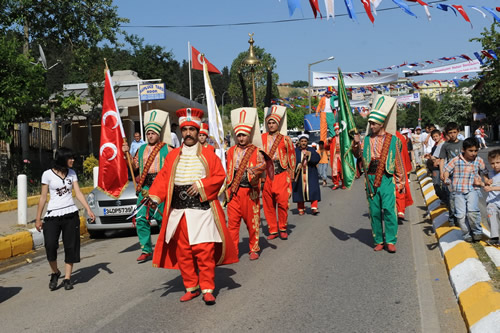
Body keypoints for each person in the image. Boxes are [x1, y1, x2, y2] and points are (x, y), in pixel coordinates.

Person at [147, 107, 238, 305]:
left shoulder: (209, 154)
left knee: (204, 251)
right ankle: (191, 287)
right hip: (178, 212)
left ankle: (207, 288)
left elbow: (220, 176)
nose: (188, 133)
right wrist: (154, 197)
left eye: (192, 129)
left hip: (201, 211)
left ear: (198, 132)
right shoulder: (172, 155)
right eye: (185, 129)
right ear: (181, 131)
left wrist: (201, 185)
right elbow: (163, 178)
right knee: (183, 253)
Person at [35, 148, 96, 291]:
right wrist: (38, 218)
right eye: (70, 158)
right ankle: (55, 272)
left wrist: (88, 209)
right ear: (63, 159)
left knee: (71, 246)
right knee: (50, 245)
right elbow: (43, 197)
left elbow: (78, 193)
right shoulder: (47, 174)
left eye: (73, 158)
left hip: (70, 214)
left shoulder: (72, 173)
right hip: (52, 216)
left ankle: (68, 278)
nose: (73, 160)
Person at [352, 95, 404, 253]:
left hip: (387, 178)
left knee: (389, 210)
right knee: (374, 211)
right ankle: (378, 240)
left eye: (373, 123)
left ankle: (390, 240)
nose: (371, 126)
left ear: (381, 123)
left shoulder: (393, 140)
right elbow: (357, 155)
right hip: (371, 178)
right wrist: (355, 143)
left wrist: (400, 181)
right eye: (370, 123)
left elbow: (398, 162)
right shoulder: (365, 140)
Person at [122, 109, 171, 262]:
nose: (150, 135)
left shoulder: (167, 149)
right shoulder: (141, 149)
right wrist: (127, 154)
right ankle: (146, 249)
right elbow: (134, 166)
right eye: (148, 133)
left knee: (163, 219)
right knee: (141, 218)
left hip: (161, 188)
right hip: (145, 189)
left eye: (153, 133)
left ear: (158, 134)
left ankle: (168, 246)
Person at [226, 107, 267, 260]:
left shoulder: (256, 151)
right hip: (234, 192)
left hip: (250, 191)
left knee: (252, 222)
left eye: (244, 135)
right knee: (232, 224)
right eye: (239, 136)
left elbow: (264, 165)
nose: (241, 138)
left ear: (249, 136)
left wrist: (253, 169)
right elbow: (228, 170)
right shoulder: (230, 151)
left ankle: (254, 248)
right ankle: (232, 251)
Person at [261, 105, 296, 240]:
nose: (271, 125)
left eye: (273, 122)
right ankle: (273, 229)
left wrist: (291, 174)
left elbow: (292, 156)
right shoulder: (261, 138)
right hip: (267, 175)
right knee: (268, 204)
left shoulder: (285, 139)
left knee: (282, 202)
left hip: (281, 174)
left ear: (278, 124)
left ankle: (282, 227)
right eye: (269, 123)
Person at [443, 137, 486, 243]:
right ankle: (466, 233)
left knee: (472, 212)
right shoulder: (456, 160)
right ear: (463, 150)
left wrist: (485, 180)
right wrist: (446, 178)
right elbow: (447, 170)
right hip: (458, 192)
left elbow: (485, 172)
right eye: (470, 151)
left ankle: (476, 232)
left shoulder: (479, 161)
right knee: (461, 215)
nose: (473, 153)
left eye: (475, 151)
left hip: (473, 190)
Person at [439, 122, 463, 226]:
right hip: (450, 174)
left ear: (458, 132)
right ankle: (452, 218)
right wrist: (441, 173)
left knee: (462, 197)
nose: (453, 134)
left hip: (463, 174)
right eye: (450, 133)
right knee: (451, 197)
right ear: (447, 134)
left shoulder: (463, 143)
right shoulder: (446, 145)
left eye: (454, 132)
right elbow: (442, 160)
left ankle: (461, 217)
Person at [293, 133, 321, 215]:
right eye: (302, 141)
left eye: (305, 141)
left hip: (311, 173)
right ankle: (301, 208)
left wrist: (310, 155)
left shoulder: (311, 150)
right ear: (299, 142)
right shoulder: (296, 151)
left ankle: (314, 208)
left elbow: (317, 158)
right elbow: (292, 162)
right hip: (300, 174)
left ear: (307, 142)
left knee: (313, 189)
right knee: (299, 191)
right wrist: (297, 166)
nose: (303, 143)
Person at [396, 129, 413, 221]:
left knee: (400, 186)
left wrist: (405, 167)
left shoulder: (399, 137)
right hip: (385, 168)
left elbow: (405, 153)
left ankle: (400, 209)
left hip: (398, 166)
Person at [483, 149, 500, 246]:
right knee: (491, 214)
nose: (495, 165)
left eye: (498, 162)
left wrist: (492, 188)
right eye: (492, 163)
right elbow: (483, 172)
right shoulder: (491, 173)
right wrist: (484, 181)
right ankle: (494, 237)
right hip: (493, 202)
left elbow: (491, 188)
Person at [329, 123, 345, 190]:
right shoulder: (332, 139)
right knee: (335, 171)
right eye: (336, 130)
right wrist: (327, 141)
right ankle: (336, 183)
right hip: (335, 157)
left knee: (342, 171)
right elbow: (326, 147)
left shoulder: (343, 138)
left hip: (342, 157)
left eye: (338, 130)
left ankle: (344, 184)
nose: (337, 131)